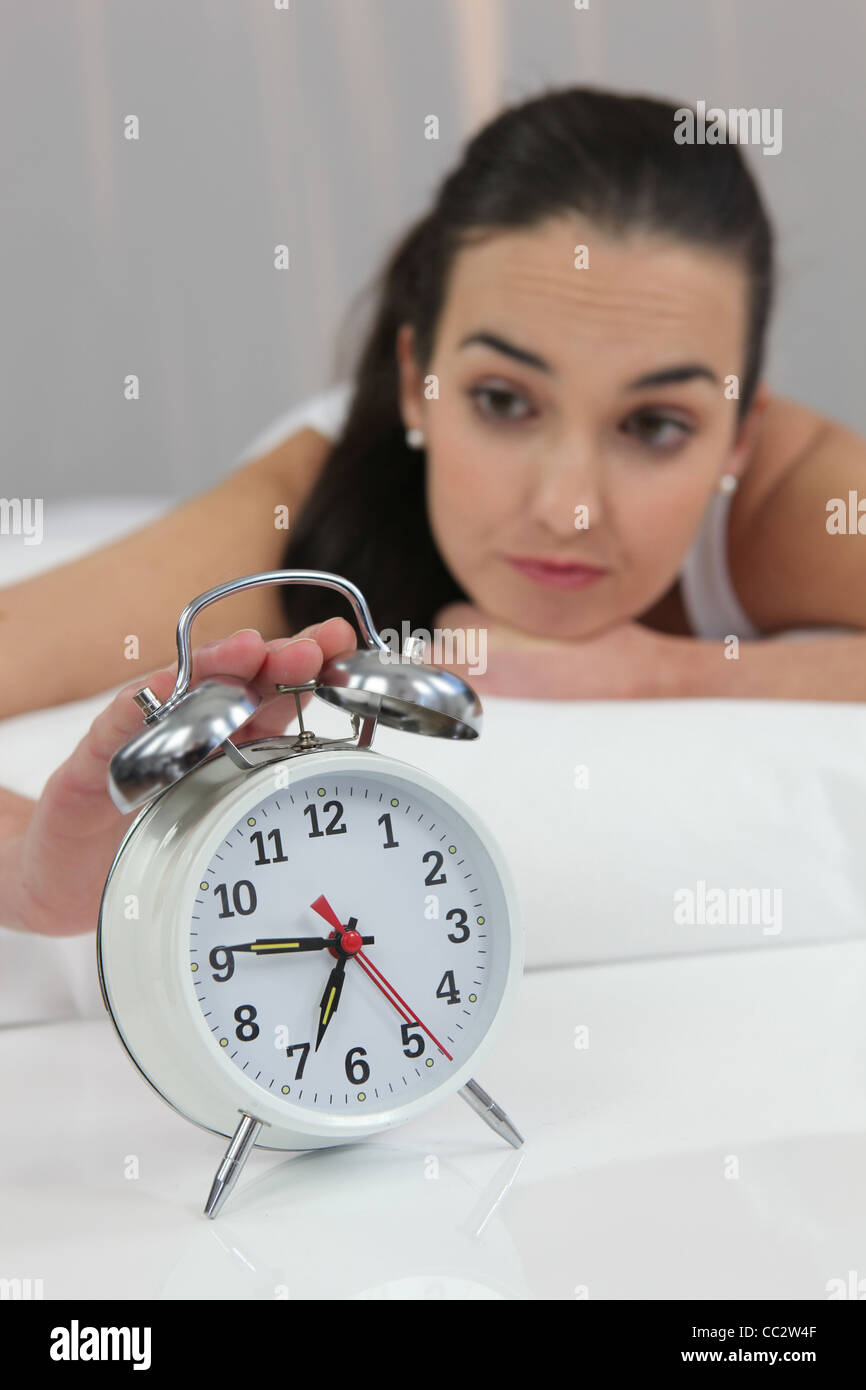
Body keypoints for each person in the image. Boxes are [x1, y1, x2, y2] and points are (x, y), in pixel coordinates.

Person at [2, 84, 866, 940]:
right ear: (419, 382)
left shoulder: (797, 500)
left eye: (654, 425)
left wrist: (662, 674)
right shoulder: (303, 510)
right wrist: (28, 880)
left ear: (741, 439)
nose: (568, 510)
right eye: (502, 400)